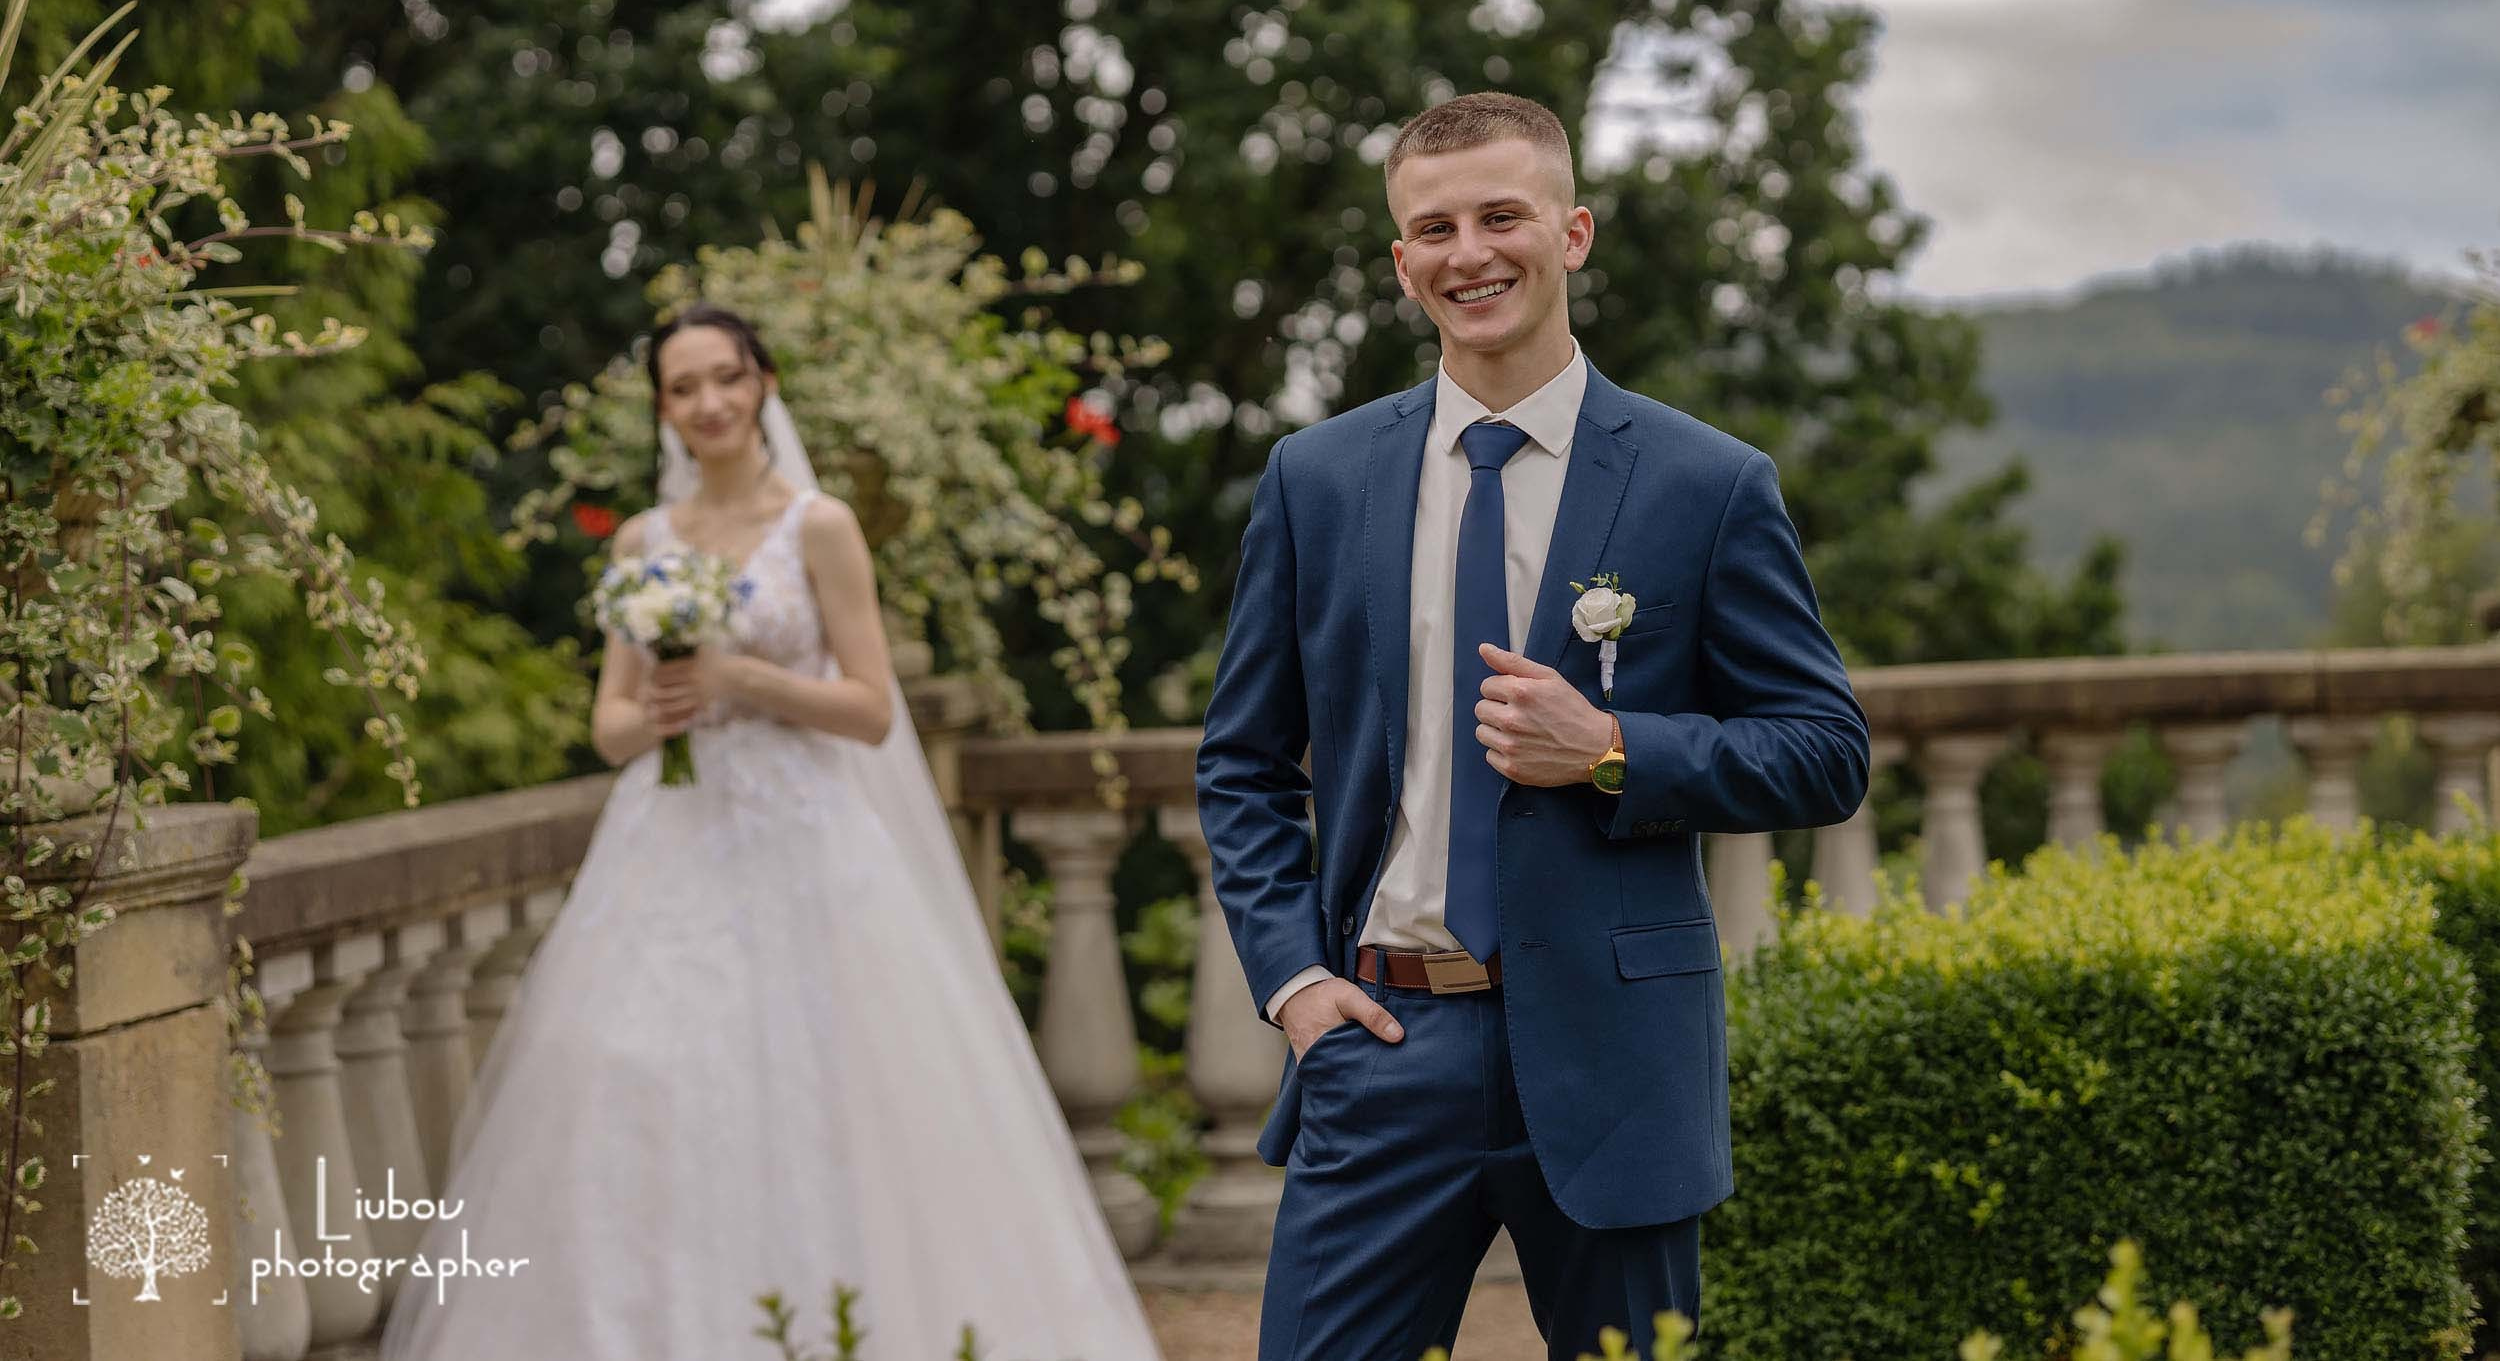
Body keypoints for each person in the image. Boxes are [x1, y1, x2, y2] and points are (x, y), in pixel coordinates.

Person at [1195, 92, 1871, 1361]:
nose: (1469, 253)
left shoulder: (1705, 481)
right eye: (1434, 228)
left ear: (1572, 233)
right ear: (1402, 262)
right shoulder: (1316, 479)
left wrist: (1611, 748)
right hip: (1381, 1042)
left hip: (1616, 1059)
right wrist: (1294, 983)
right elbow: (1240, 762)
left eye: (1501, 216)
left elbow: (1825, 751)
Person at [382, 303, 1162, 1361]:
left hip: (811, 841)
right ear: (663, 410)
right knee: (636, 1070)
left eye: (724, 377)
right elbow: (610, 724)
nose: (707, 402)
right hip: (669, 841)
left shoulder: (819, 525)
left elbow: (873, 707)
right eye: (682, 387)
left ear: (763, 384)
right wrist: (663, 709)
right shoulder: (647, 541)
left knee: (835, 1089)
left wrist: (742, 679)